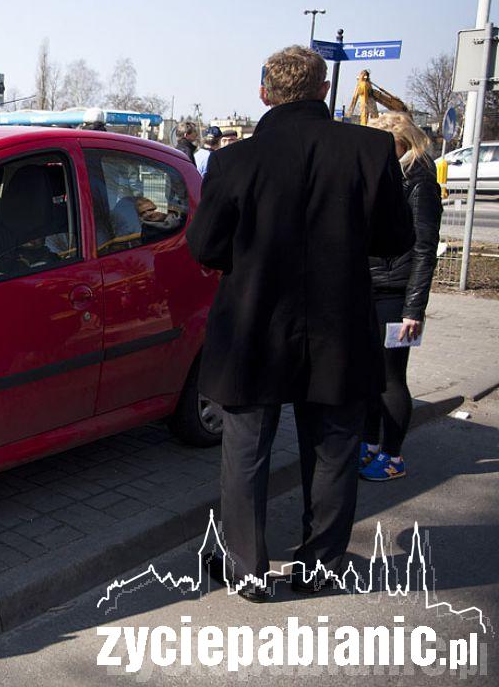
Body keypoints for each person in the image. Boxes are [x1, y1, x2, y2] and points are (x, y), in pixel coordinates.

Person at [186, 45, 412, 601]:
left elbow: (204, 246)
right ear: (324, 91)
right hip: (338, 324)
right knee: (334, 447)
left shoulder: (234, 160)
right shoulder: (371, 147)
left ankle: (247, 569)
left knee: (246, 448)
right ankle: (320, 567)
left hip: (252, 324)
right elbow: (394, 241)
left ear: (264, 92)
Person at [361, 113, 443, 481]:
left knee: (392, 377)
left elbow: (425, 250)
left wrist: (414, 309)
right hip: (369, 289)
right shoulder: (382, 176)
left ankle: (393, 457)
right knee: (368, 375)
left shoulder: (419, 181)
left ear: (402, 143)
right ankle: (370, 443)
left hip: (396, 297)